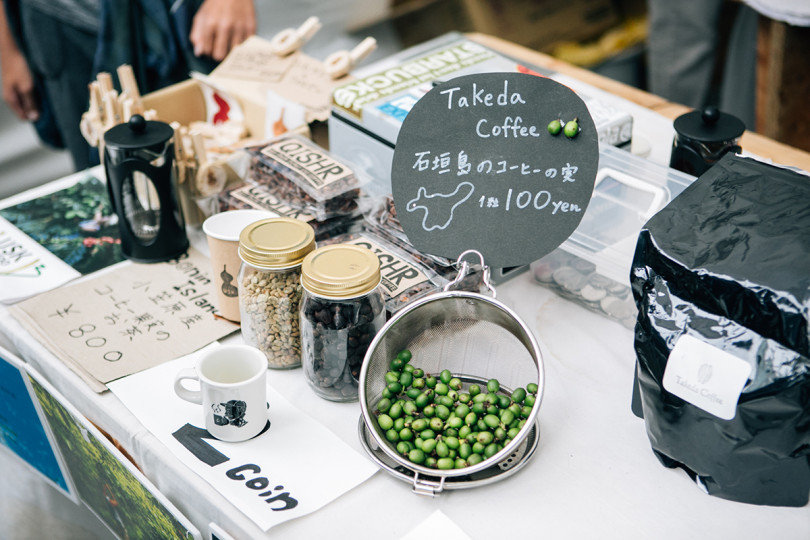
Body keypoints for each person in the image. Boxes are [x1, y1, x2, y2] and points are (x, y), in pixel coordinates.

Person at [0, 0, 255, 171]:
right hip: (62, 23)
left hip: (178, 17)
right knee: (105, 176)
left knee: (223, 159)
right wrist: (6, 49)